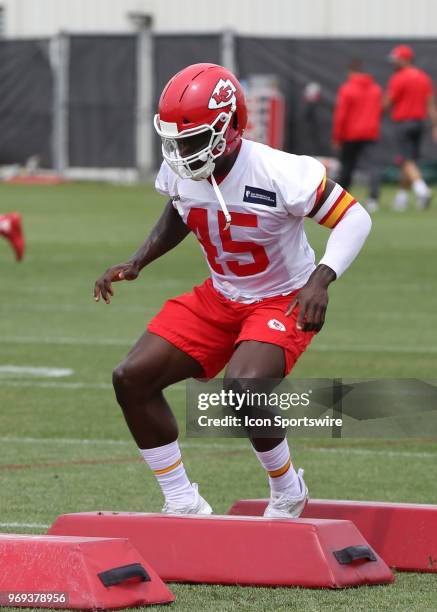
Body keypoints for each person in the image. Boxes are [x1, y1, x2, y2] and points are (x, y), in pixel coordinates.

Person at [94, 63, 372, 518]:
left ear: (228, 129)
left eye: (192, 138)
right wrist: (139, 260)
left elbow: (355, 217)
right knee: (131, 378)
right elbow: (181, 208)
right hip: (221, 295)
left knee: (243, 387)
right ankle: (183, 500)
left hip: (283, 295)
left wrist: (321, 278)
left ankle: (287, 489)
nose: (180, 150)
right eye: (175, 139)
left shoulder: (279, 170)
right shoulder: (184, 167)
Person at [384, 45, 437, 211]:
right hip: (419, 123)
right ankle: (401, 199)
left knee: (406, 161)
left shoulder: (398, 78)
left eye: (396, 59)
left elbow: (388, 102)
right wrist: (435, 124)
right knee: (410, 162)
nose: (394, 63)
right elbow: (430, 105)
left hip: (403, 123)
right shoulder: (424, 78)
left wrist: (374, 112)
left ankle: (422, 190)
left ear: (405, 59)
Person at [332, 59, 382, 213]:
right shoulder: (376, 89)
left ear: (351, 72)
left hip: (350, 134)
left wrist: (337, 137)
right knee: (372, 166)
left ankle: (341, 200)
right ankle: (373, 199)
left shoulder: (347, 89)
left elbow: (341, 115)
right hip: (370, 132)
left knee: (347, 166)